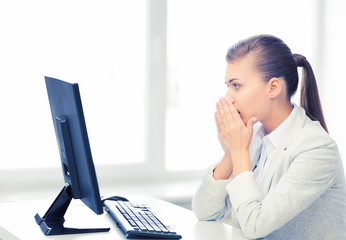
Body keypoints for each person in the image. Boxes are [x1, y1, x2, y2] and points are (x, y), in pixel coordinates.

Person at [192, 34, 346, 240]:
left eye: (236, 85)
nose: (228, 97)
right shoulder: (254, 137)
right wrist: (230, 154)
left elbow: (255, 226)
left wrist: (238, 152)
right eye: (227, 86)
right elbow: (205, 212)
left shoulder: (317, 149)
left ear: (273, 87)